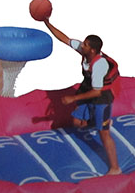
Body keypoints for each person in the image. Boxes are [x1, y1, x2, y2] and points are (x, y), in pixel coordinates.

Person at [44, 19, 122, 175]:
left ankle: (115, 168)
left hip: (102, 98)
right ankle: (100, 121)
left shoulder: (99, 65)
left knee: (103, 133)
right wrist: (46, 22)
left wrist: (72, 99)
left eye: (85, 44)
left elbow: (97, 92)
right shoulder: (85, 52)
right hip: (89, 90)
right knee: (77, 122)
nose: (82, 45)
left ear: (92, 50)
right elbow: (64, 39)